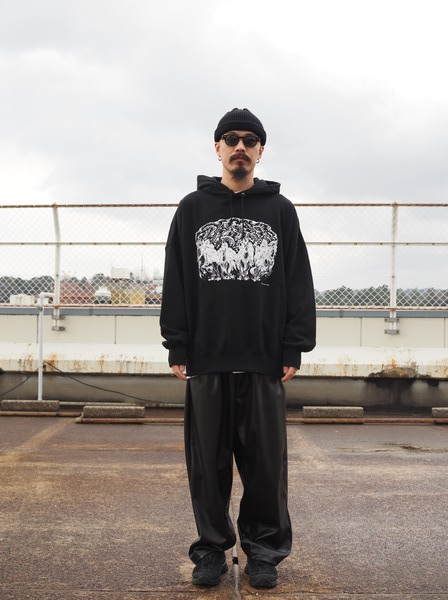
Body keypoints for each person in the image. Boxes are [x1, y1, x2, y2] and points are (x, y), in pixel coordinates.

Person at [160, 108, 316, 589]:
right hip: (207, 356)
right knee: (207, 467)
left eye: (250, 139)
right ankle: (211, 549)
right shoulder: (192, 209)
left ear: (261, 150)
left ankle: (263, 552)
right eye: (231, 139)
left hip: (263, 358)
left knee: (265, 466)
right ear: (218, 148)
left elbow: (297, 279)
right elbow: (176, 278)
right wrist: (177, 342)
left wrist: (294, 346)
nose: (240, 146)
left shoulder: (280, 210)